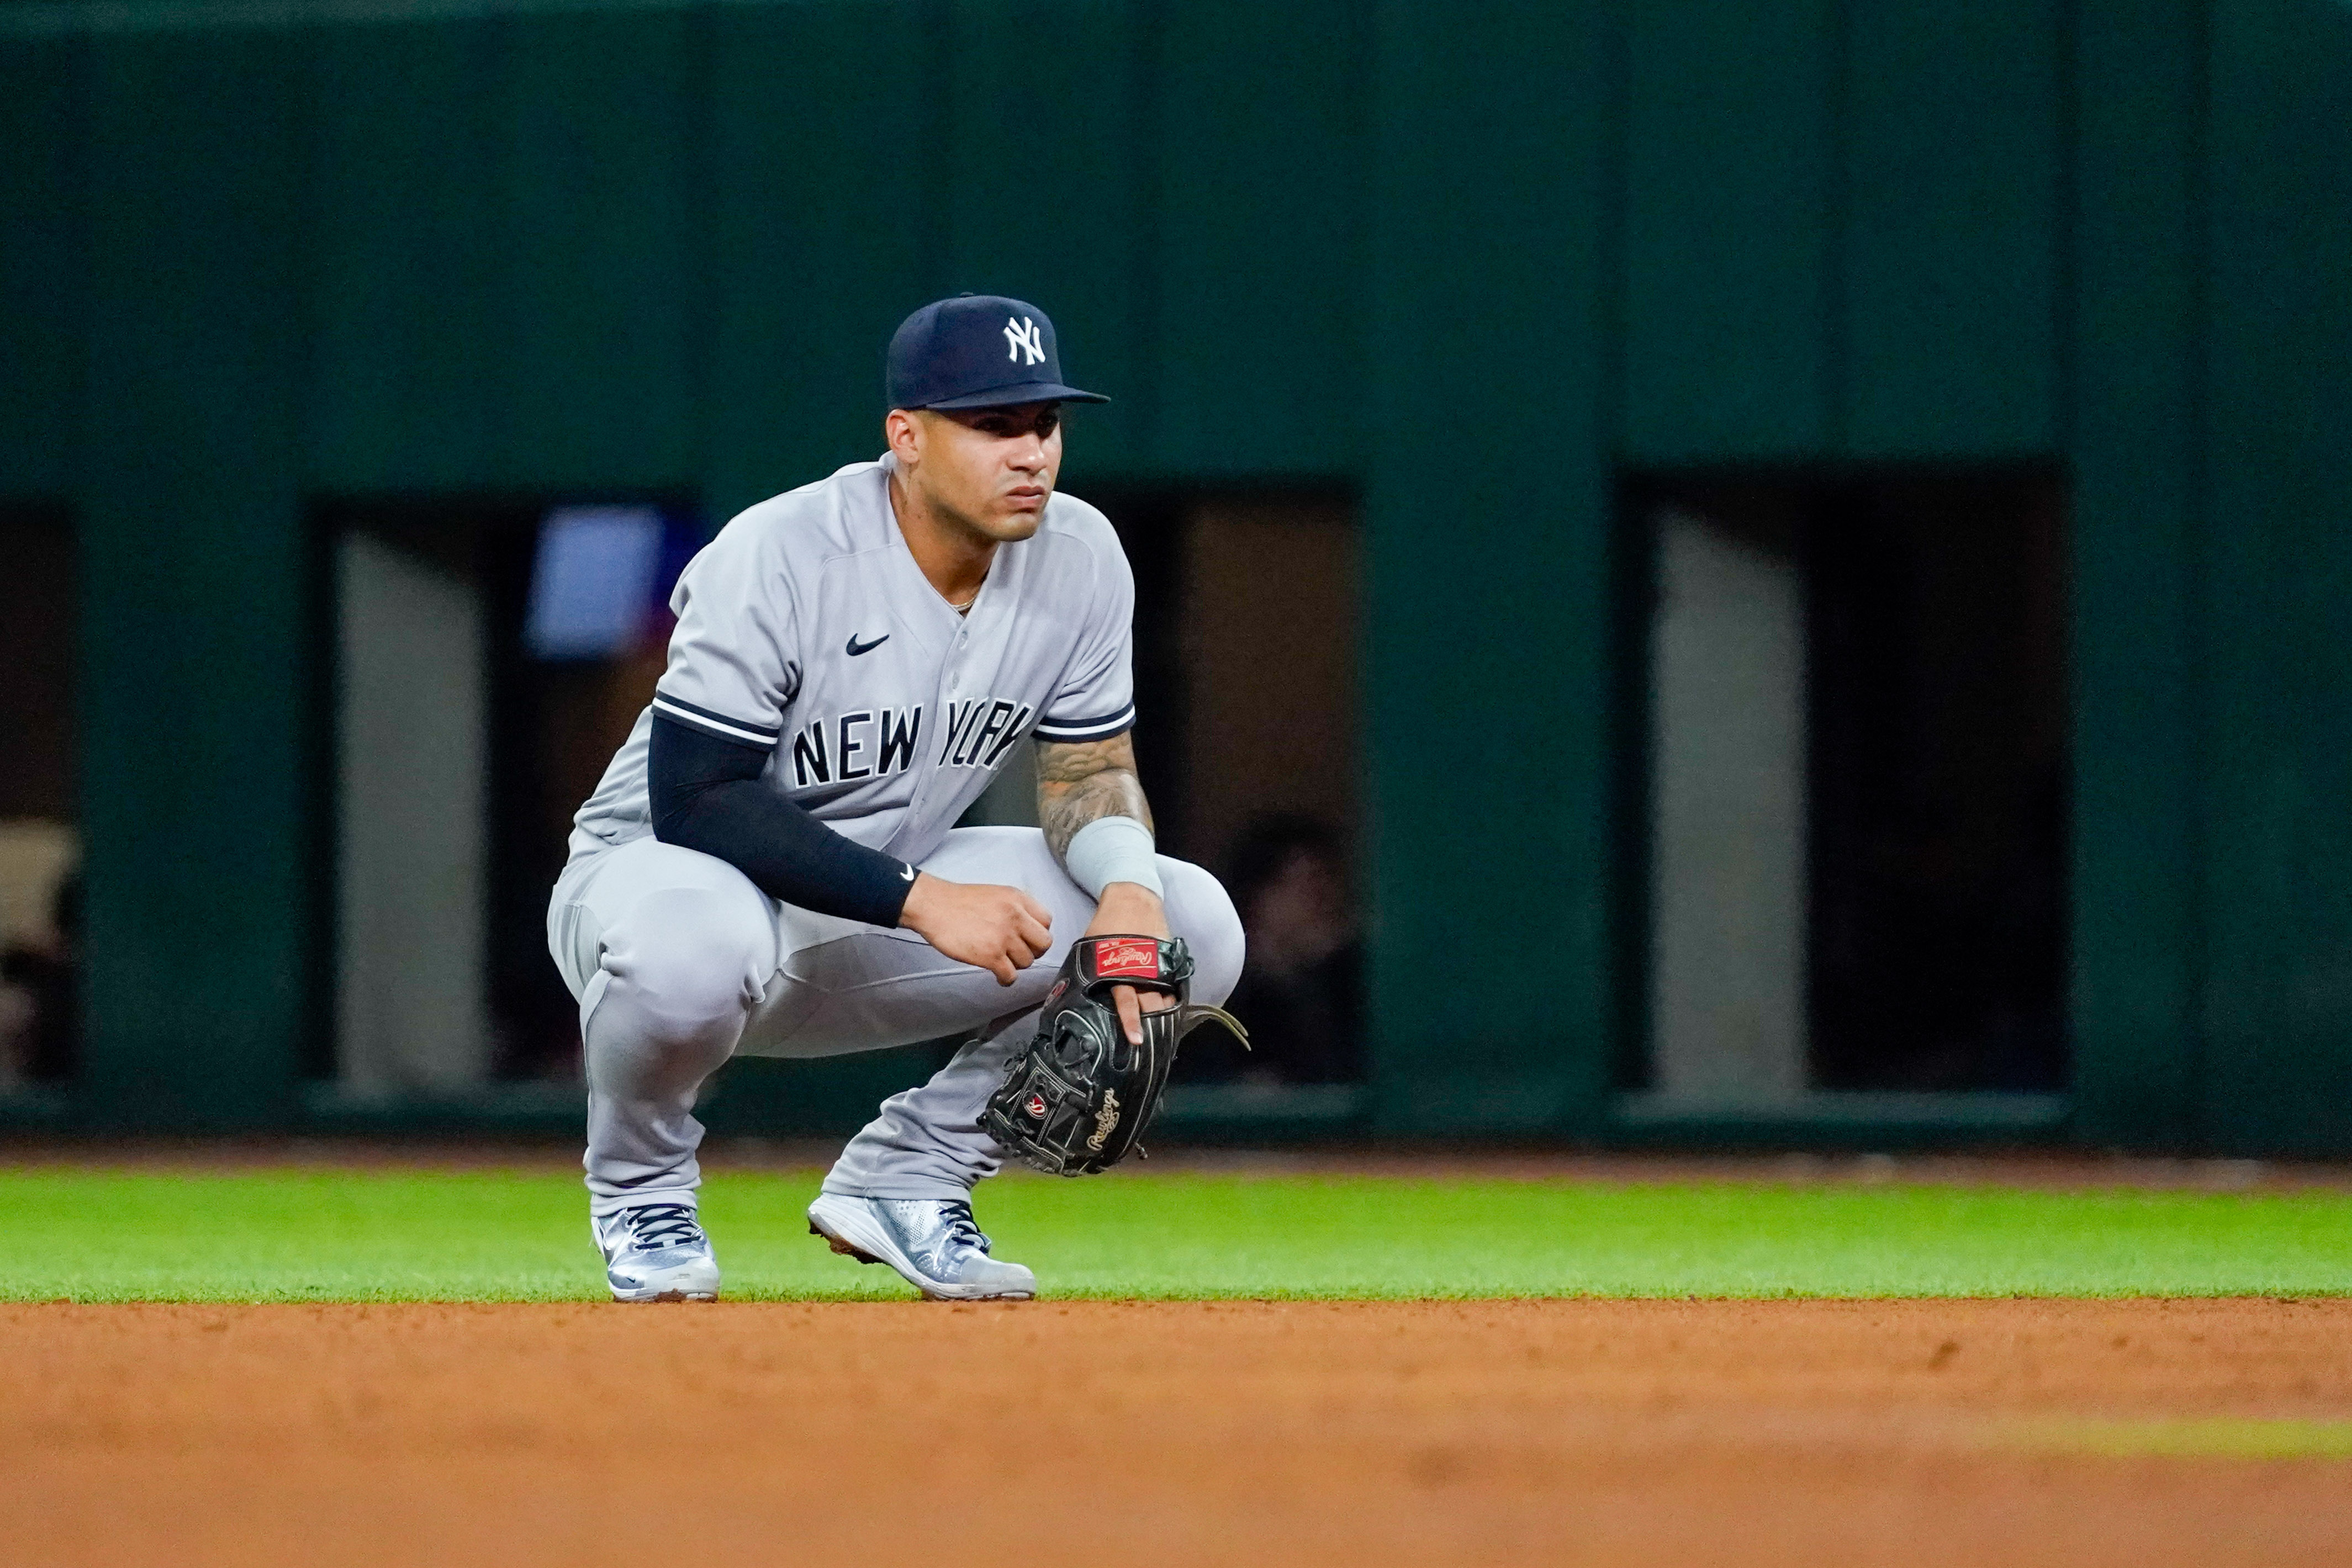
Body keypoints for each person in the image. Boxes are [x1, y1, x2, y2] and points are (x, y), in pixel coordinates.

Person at [548, 295, 1243, 1302]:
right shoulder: (782, 552)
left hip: (860, 913)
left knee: (1192, 927)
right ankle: (643, 1188)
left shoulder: (1081, 555)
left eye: (1045, 423)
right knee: (691, 942)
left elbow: (1090, 770)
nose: (1032, 453)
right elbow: (697, 799)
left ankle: (912, 1177)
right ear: (906, 439)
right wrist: (921, 897)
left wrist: (1129, 891)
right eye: (994, 425)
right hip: (657, 889)